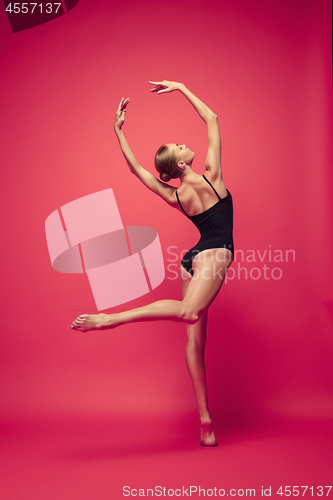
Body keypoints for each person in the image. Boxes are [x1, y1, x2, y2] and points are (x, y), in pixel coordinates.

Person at [71, 81, 234, 447]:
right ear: (179, 162)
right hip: (214, 252)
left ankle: (205, 421)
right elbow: (213, 117)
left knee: (196, 341)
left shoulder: (174, 194)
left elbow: (137, 171)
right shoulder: (213, 174)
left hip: (192, 258)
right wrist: (183, 88)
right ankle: (111, 318)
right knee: (191, 315)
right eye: (179, 146)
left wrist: (118, 130)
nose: (183, 143)